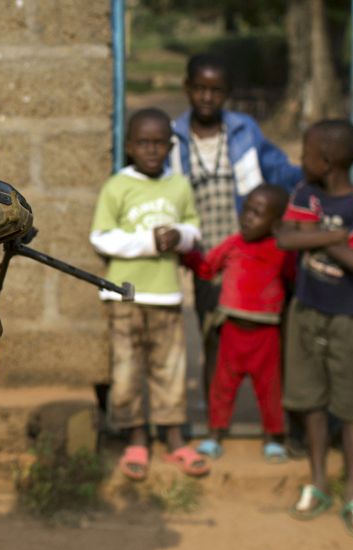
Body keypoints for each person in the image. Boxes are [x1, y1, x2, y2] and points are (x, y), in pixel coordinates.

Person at [169, 53, 302, 420]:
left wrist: (312, 182)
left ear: (226, 93)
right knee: (212, 333)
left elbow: (279, 169)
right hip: (207, 257)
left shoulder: (243, 130)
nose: (207, 98)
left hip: (250, 254)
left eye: (216, 91)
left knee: (258, 336)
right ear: (187, 89)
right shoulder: (173, 137)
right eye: (200, 89)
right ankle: (215, 419)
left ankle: (274, 421)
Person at [90, 108, 210, 481]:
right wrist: (149, 241)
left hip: (167, 295)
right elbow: (101, 238)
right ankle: (136, 437)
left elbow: (194, 229)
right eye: (143, 143)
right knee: (127, 368)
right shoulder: (117, 186)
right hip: (124, 296)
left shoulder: (179, 186)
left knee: (170, 368)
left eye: (159, 143)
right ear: (129, 146)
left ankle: (174, 437)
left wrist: (182, 237)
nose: (152, 150)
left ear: (171, 146)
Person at [276, 119, 353, 538]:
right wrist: (334, 235)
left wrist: (313, 235)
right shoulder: (304, 193)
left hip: (348, 318)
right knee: (310, 399)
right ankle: (318, 482)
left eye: (305, 153)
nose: (300, 160)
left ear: (327, 161)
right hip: (307, 310)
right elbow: (284, 239)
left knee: (352, 406)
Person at [185, 184, 295, 462]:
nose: (247, 217)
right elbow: (208, 268)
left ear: (276, 223)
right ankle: (214, 435)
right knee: (222, 387)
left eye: (257, 213)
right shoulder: (234, 243)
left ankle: (273, 438)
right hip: (233, 332)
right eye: (246, 209)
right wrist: (187, 255)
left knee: (269, 390)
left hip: (266, 334)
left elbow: (293, 279)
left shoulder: (281, 249)